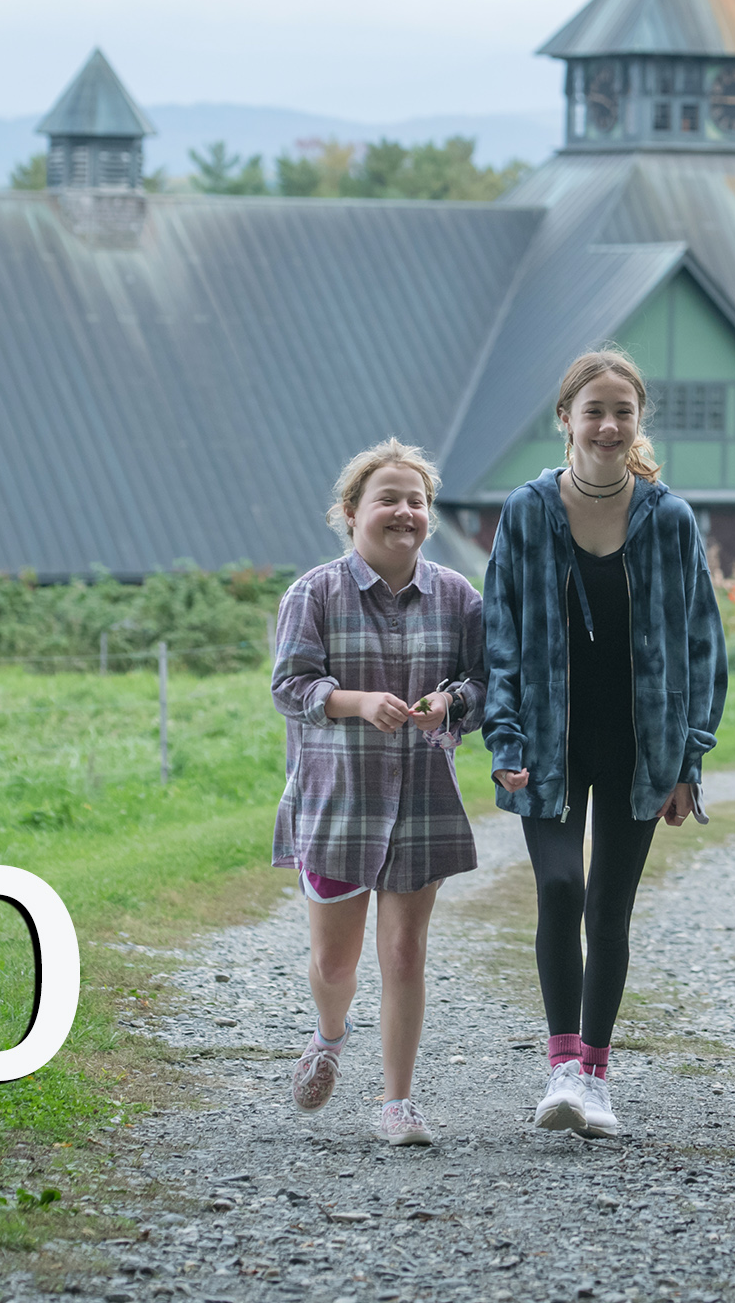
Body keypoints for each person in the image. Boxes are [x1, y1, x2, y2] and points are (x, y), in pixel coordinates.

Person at [483, 348, 726, 1139]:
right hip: (546, 745)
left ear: (637, 421)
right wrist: (505, 734)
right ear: (566, 421)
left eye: (623, 411)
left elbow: (702, 647)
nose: (609, 425)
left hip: (639, 747)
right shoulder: (526, 513)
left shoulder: (670, 518)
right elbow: (502, 636)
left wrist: (689, 759)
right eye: (594, 411)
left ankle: (595, 1074)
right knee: (558, 891)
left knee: (610, 909)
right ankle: (559, 1069)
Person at [271, 438, 487, 1148]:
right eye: (387, 499)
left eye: (416, 501)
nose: (404, 512)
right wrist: (355, 701)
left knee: (403, 955)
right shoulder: (315, 592)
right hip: (338, 801)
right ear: (350, 512)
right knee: (335, 964)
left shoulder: (459, 597)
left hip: (421, 800)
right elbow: (289, 686)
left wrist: (449, 704)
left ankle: (397, 1102)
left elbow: (486, 686)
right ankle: (330, 1034)